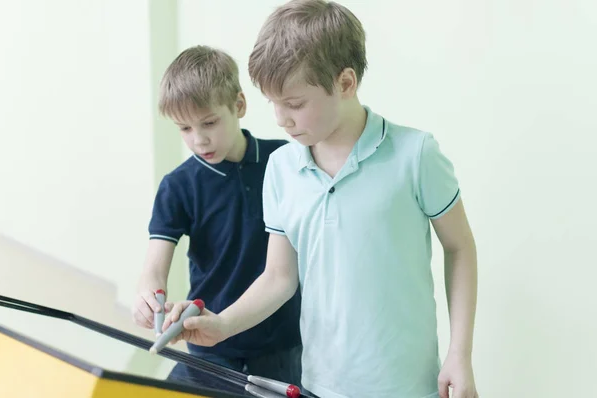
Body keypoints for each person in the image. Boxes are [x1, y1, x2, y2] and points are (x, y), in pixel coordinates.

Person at [164, 2, 479, 397]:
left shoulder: (415, 155)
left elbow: (459, 246)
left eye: (294, 104)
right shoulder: (281, 168)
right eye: (273, 103)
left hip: (406, 385)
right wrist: (222, 324)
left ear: (345, 83)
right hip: (318, 385)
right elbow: (279, 277)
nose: (281, 118)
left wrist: (459, 353)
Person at [132, 45, 302, 388]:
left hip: (282, 348)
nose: (199, 139)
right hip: (209, 347)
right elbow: (153, 269)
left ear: (239, 105)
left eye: (209, 122)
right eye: (184, 129)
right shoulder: (178, 185)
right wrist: (149, 297)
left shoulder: (286, 160)